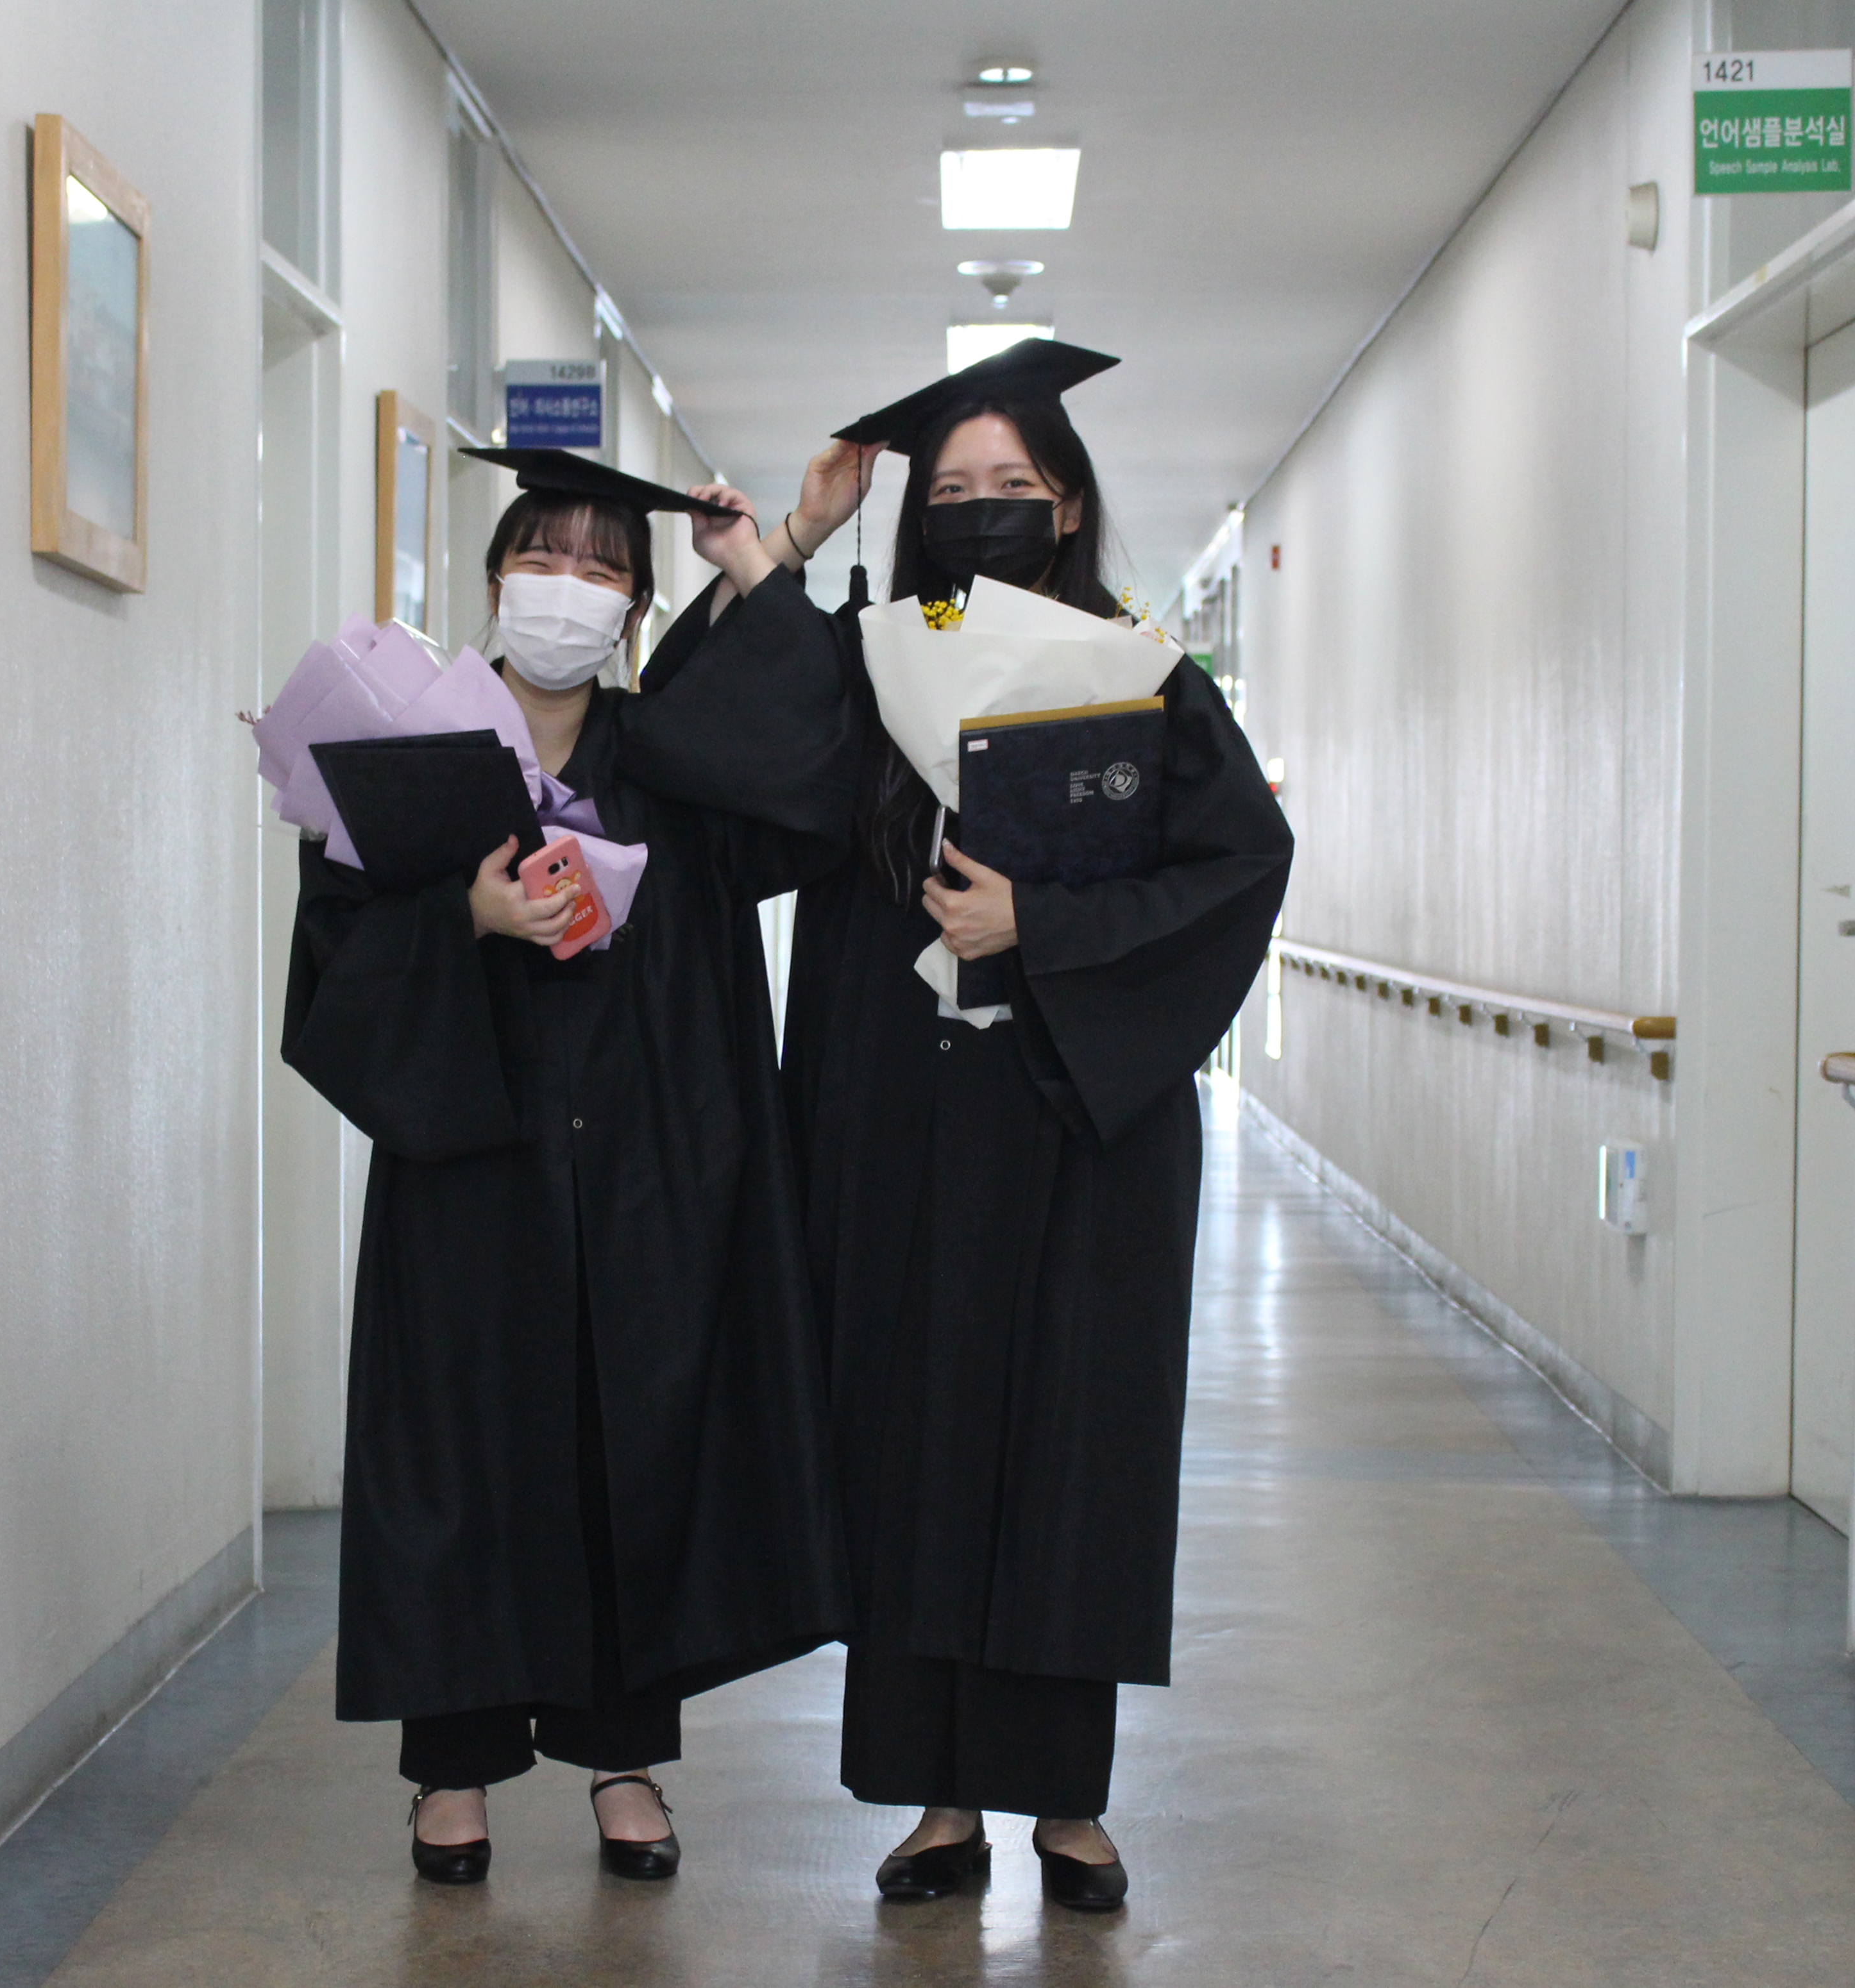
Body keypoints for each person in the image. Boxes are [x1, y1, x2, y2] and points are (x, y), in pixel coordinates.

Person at [622, 341, 1293, 1911]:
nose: (984, 508)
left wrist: (1038, 927)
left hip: (1075, 1127)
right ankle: (937, 1801)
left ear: (1067, 504)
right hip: (894, 1119)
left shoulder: (1140, 675)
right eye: (955, 488)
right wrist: (788, 541)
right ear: (919, 509)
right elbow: (703, 748)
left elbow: (1237, 867)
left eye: (1014, 484)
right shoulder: (871, 665)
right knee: (908, 1444)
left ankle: (1066, 1801)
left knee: (1069, 1448)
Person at [280, 449, 854, 1885]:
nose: (568, 587)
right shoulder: (409, 755)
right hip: (471, 1174)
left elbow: (818, 763)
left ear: (635, 608)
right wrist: (464, 919)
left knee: (627, 1450)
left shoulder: (673, 757)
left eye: (603, 567)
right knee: (459, 1462)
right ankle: (451, 1769)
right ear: (493, 579)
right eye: (543, 556)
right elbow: (333, 962)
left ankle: (623, 1755)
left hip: (648, 1172)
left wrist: (771, 552)